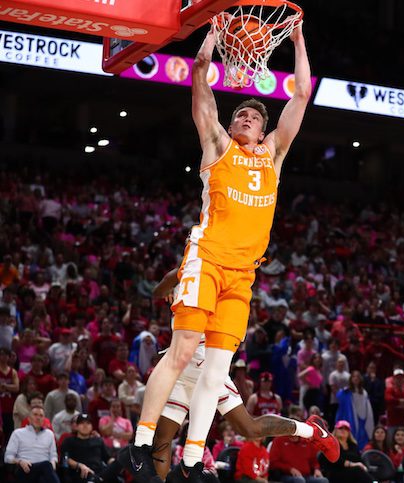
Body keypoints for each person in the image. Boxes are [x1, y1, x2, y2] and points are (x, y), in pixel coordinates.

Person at [117, 19, 330, 483]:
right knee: (182, 350)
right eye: (241, 115)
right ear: (231, 125)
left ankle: (193, 462)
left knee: (216, 372)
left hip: (243, 274)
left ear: (265, 129)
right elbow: (200, 82)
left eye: (254, 117)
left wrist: (298, 39)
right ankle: (139, 444)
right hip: (207, 259)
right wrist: (210, 39)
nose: (246, 119)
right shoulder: (218, 146)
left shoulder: (273, 155)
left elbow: (301, 95)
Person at [135, 268, 340, 481]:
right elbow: (158, 291)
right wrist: (173, 284)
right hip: (181, 366)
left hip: (208, 366)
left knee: (249, 428)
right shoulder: (190, 268)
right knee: (162, 437)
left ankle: (310, 430)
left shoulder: (224, 279)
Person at [4, 406, 60, 482]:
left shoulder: (49, 434)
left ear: (44, 419)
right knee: (46, 466)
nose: (38, 418)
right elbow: (7, 457)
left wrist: (53, 464)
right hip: (26, 469)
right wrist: (20, 461)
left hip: (45, 470)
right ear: (29, 418)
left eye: (41, 416)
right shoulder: (18, 433)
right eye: (35, 414)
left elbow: (53, 455)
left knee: (45, 470)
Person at [60, 414, 111, 483]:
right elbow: (65, 458)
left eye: (88, 423)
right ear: (77, 426)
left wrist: (115, 462)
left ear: (92, 426)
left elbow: (107, 458)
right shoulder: (69, 441)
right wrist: (79, 465)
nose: (85, 426)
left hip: (100, 473)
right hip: (81, 474)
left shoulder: (98, 440)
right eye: (82, 423)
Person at [335, 370, 374, 448]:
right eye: (354, 377)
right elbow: (338, 397)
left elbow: (366, 406)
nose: (356, 378)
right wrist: (343, 391)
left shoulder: (364, 392)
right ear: (351, 379)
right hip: (350, 417)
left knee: (362, 438)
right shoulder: (346, 391)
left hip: (362, 418)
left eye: (357, 377)